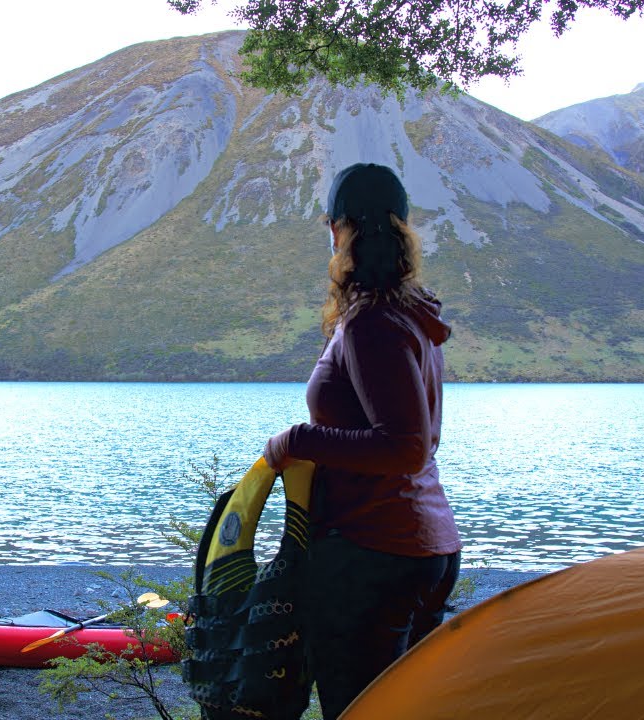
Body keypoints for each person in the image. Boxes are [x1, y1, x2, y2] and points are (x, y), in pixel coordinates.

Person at [263, 162, 462, 720]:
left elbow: (405, 446)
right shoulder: (409, 316)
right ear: (403, 230)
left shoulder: (374, 320)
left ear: (337, 231)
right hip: (421, 548)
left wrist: (297, 439)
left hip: (374, 554)